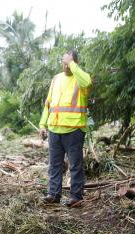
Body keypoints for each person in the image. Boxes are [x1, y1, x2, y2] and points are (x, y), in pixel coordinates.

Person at [39, 49, 92, 208]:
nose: (65, 66)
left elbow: (87, 83)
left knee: (75, 165)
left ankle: (76, 196)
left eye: (68, 63)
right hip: (54, 129)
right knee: (54, 165)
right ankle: (53, 194)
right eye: (64, 63)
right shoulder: (56, 79)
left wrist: (72, 65)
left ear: (74, 63)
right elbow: (48, 104)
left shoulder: (81, 78)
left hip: (74, 129)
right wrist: (43, 124)